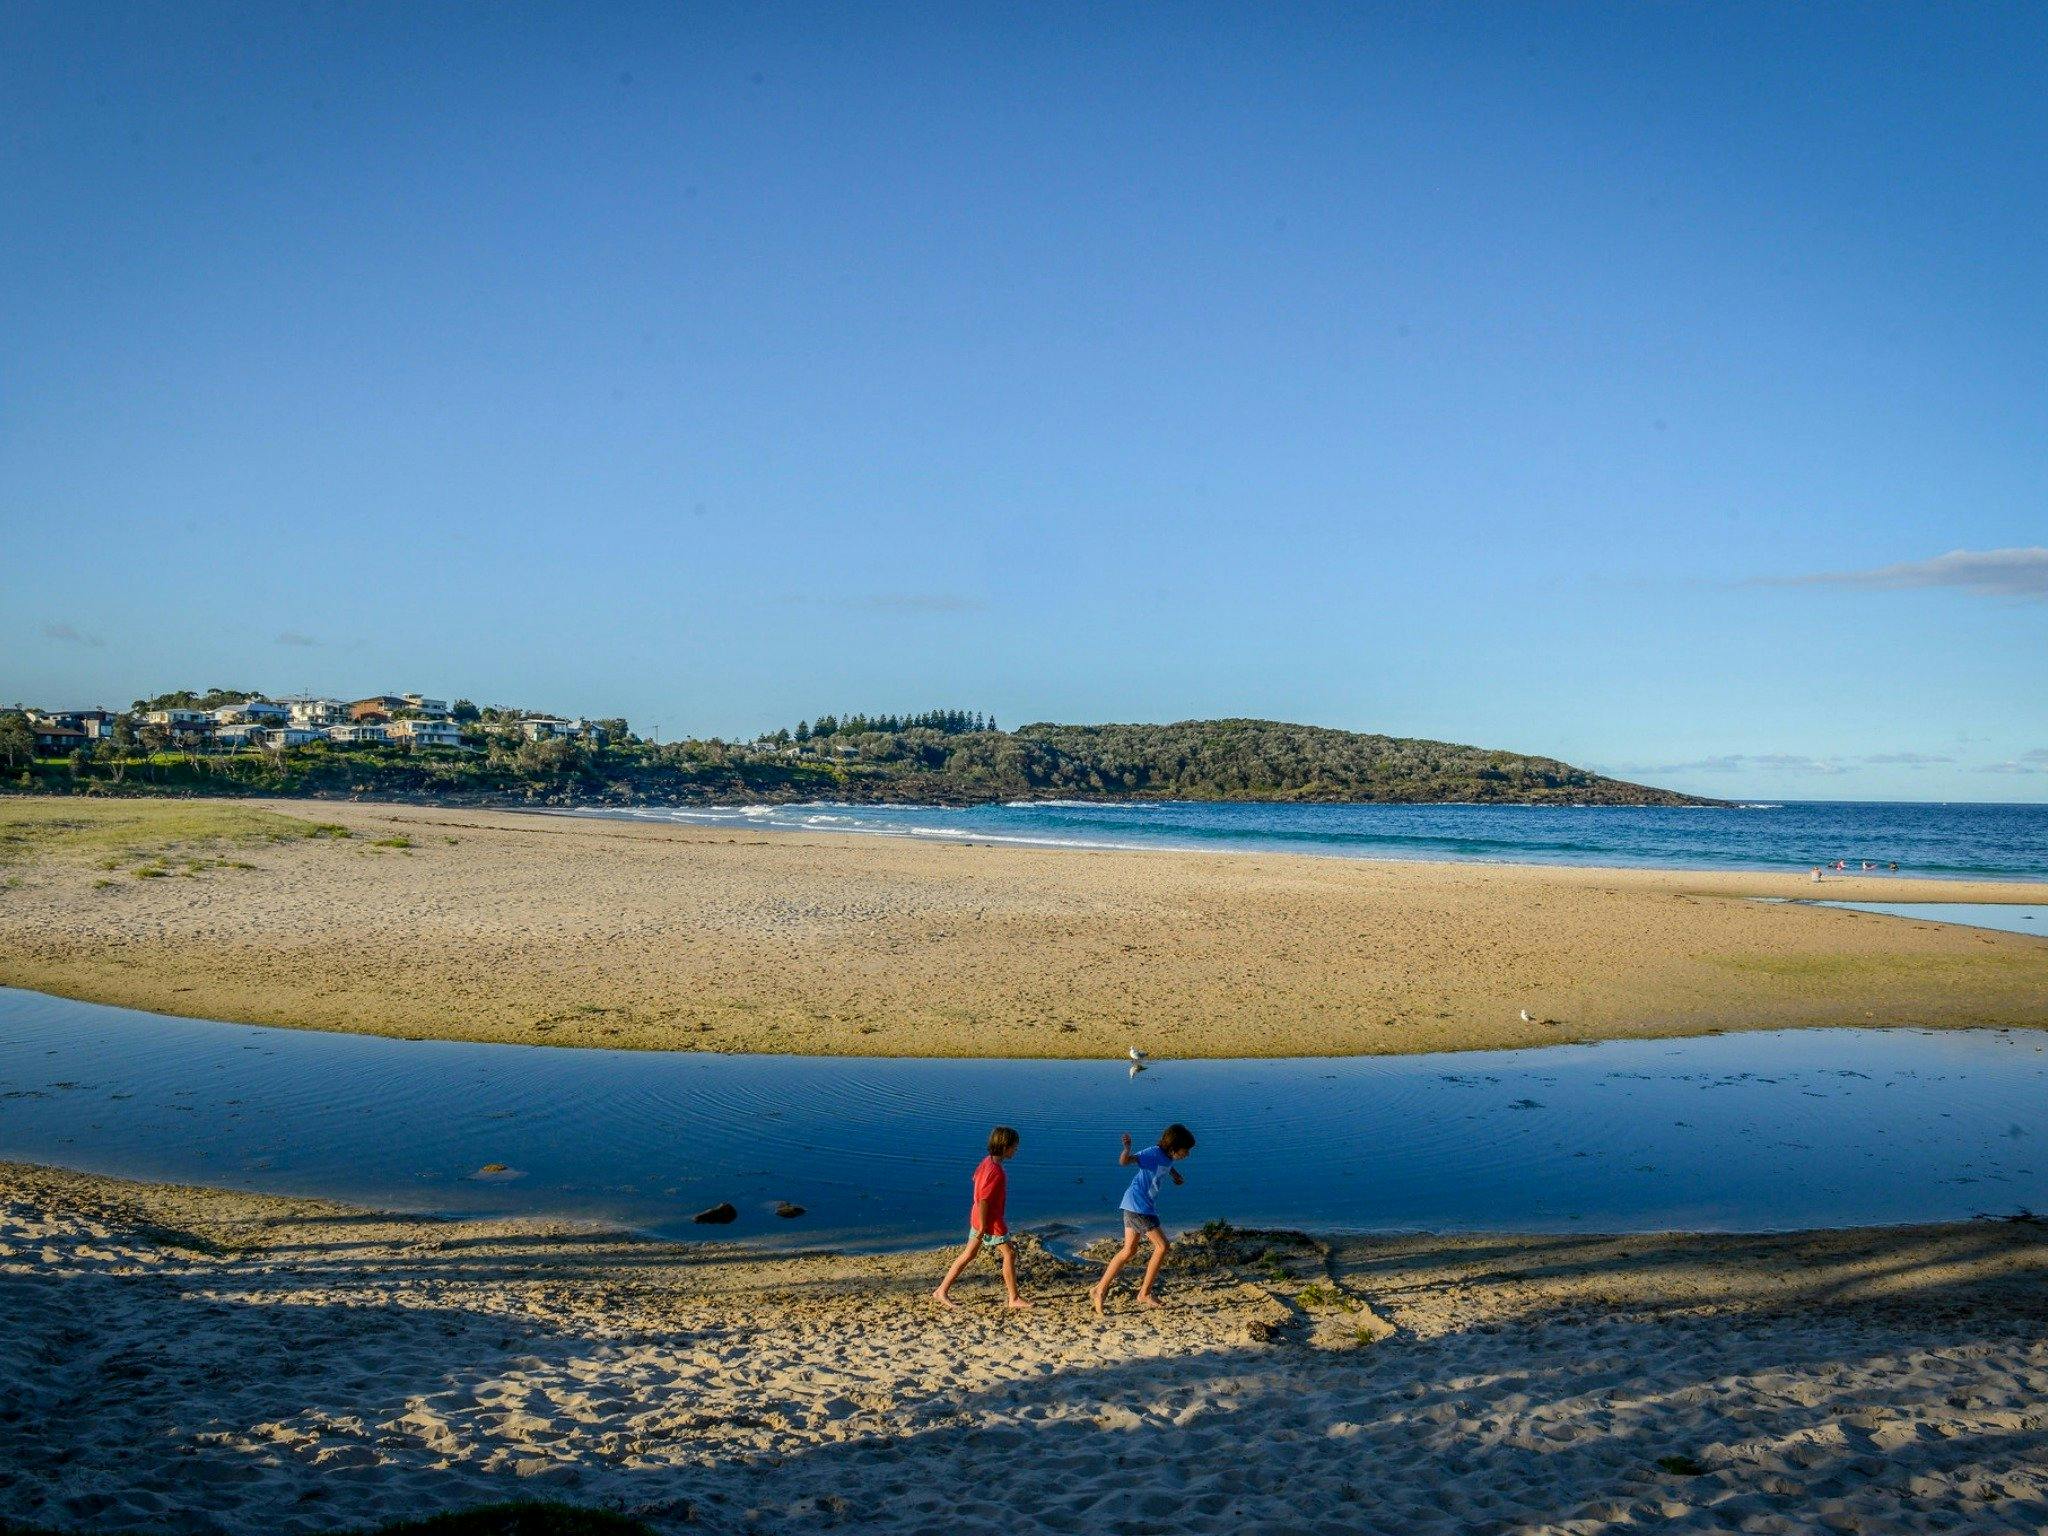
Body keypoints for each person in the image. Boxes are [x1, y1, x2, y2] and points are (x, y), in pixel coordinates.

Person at [1091, 1123, 1197, 1314]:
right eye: (1186, 1151)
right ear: (1174, 1148)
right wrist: (1127, 1149)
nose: (1187, 1154)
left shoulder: (1167, 1157)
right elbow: (1125, 1162)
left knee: (1129, 1250)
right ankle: (1144, 1293)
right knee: (1162, 1246)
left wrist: (1176, 1176)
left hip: (1133, 1204)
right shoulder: (1152, 1153)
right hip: (1140, 1207)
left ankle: (1099, 1290)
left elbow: (1167, 1166)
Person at [934, 1125, 1028, 1310]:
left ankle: (941, 1291)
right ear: (1004, 1146)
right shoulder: (997, 1172)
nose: (1016, 1150)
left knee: (969, 1254)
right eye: (1014, 1147)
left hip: (977, 1216)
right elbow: (984, 1200)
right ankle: (1013, 1298)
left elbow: (975, 1181)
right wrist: (984, 1227)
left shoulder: (986, 1162)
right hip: (990, 1221)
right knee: (1009, 1254)